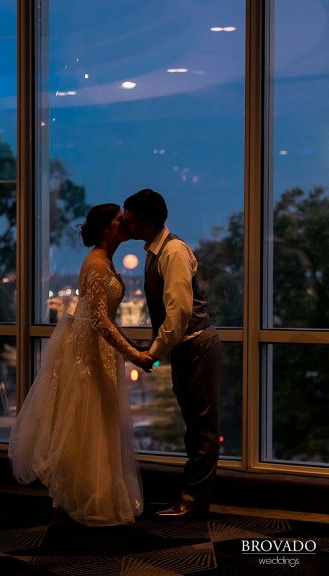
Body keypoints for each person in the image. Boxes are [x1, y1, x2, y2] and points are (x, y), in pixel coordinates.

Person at [8, 203, 153, 527]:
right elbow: (100, 321)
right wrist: (134, 354)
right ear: (107, 228)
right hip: (90, 353)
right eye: (120, 219)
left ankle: (99, 494)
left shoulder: (104, 262)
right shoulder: (97, 265)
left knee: (101, 420)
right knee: (94, 420)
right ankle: (96, 498)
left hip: (97, 350)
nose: (126, 222)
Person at [122, 189, 222, 519]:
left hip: (195, 346)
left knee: (202, 429)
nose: (128, 226)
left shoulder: (173, 252)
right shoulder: (157, 250)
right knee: (196, 426)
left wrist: (153, 352)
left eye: (132, 221)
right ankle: (190, 497)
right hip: (187, 347)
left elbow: (178, 314)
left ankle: (192, 501)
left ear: (149, 222)